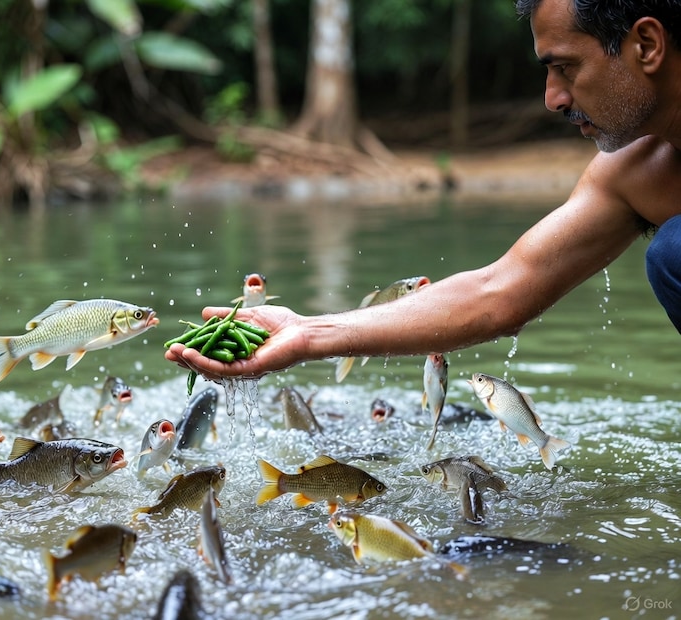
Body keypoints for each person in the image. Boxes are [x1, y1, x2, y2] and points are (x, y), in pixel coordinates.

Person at [165, 0, 681, 380]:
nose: (552, 98)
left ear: (647, 46)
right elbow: (498, 292)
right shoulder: (635, 169)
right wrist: (308, 333)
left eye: (565, 67)